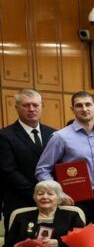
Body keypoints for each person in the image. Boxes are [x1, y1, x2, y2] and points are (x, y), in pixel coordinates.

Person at [35, 91, 94, 222]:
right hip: (74, 200)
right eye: (79, 105)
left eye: (88, 104)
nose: (84, 109)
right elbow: (42, 169)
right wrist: (58, 193)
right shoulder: (60, 137)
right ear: (72, 109)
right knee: (77, 235)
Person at [0, 88, 56, 228]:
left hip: (51, 204)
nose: (31, 109)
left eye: (35, 105)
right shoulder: (5, 135)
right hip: (20, 203)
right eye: (26, 105)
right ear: (16, 107)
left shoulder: (53, 134)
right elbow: (9, 171)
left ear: (41, 106)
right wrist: (37, 194)